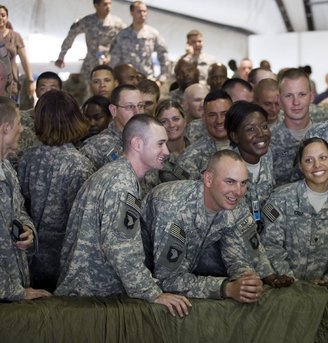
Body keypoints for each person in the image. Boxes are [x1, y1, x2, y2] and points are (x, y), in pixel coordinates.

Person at [56, 115, 191, 316]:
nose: (167, 151)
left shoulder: (120, 175)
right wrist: (151, 293)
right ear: (137, 143)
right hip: (90, 299)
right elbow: (120, 247)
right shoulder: (121, 183)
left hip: (93, 295)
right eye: (160, 144)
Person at [141, 150, 292, 300]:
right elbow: (168, 279)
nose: (238, 192)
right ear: (208, 179)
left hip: (190, 270)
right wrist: (227, 288)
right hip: (141, 282)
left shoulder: (235, 205)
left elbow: (238, 256)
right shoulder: (172, 205)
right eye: (230, 182)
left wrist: (246, 280)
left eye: (243, 183)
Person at [17, 90, 94, 291]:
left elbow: (22, 204)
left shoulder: (28, 158)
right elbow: (82, 222)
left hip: (31, 256)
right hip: (66, 259)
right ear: (74, 118)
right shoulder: (80, 165)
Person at [261, 137, 328, 283]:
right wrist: (290, 280)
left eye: (323, 158)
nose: (317, 165)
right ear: (301, 166)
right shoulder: (280, 198)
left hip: (324, 289)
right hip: (285, 286)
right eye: (309, 160)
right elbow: (270, 245)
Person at [0, 97, 51, 301]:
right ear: (5, 128)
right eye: (19, 123)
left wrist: (28, 231)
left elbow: (19, 211)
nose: (21, 130)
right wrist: (16, 292)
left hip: (15, 284)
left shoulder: (6, 167)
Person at [225, 101, 274, 227]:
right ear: (235, 136)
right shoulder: (225, 167)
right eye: (251, 129)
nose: (261, 134)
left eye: (264, 126)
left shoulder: (268, 155)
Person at [54, 0, 125, 82]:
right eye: (105, 4)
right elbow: (71, 36)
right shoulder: (87, 21)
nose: (108, 7)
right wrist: (61, 57)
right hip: (90, 65)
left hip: (111, 64)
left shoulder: (117, 23)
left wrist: (114, 57)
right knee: (88, 90)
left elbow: (125, 41)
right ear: (96, 5)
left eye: (110, 4)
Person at [80, 84, 144, 170]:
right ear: (113, 110)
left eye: (140, 106)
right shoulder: (96, 146)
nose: (137, 112)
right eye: (130, 107)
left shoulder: (149, 139)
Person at [176, 89, 232, 180]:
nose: (219, 121)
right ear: (204, 118)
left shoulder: (249, 148)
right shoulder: (189, 158)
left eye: (225, 114)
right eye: (212, 115)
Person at [270, 68, 313, 185]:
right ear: (279, 100)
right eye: (289, 95)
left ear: (311, 96)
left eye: (302, 94)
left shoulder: (326, 136)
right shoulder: (268, 141)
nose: (296, 102)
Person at [109, 1, 169, 83]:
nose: (142, 14)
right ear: (132, 13)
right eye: (139, 11)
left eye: (144, 11)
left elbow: (163, 54)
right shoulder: (122, 35)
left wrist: (161, 79)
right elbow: (114, 59)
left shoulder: (153, 34)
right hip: (126, 80)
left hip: (146, 79)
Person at [0, 5, 35, 100]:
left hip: (10, 84)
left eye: (2, 15)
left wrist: (30, 81)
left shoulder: (15, 36)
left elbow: (24, 59)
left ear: (7, 17)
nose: (0, 17)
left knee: (10, 112)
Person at [154, 99, 189, 182]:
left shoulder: (198, 149)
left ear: (185, 121)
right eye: (164, 121)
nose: (171, 125)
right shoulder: (154, 157)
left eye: (176, 119)